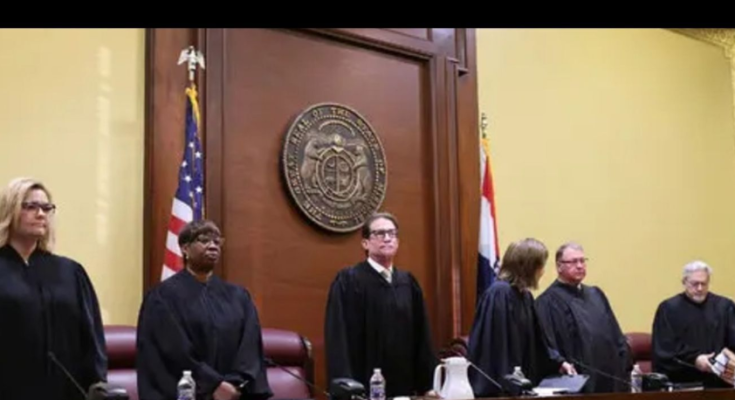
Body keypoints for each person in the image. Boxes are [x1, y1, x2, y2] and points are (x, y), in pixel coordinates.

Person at [136, 219, 272, 400]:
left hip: (236, 394)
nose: (213, 246)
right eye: (204, 240)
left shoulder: (238, 296)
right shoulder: (162, 297)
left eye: (217, 241)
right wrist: (213, 385)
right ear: (185, 248)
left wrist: (235, 384)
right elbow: (173, 351)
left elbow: (250, 347)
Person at [0, 177, 107, 400]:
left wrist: (97, 386)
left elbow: (91, 338)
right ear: (9, 210)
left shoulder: (70, 272)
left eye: (46, 208)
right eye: (30, 206)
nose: (41, 214)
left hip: (66, 391)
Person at [324, 212, 437, 397]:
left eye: (392, 233)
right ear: (365, 243)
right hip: (362, 386)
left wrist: (428, 385)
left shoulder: (408, 283)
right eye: (380, 233)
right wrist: (345, 387)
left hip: (404, 386)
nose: (387, 238)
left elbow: (422, 337)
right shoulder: (348, 281)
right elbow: (338, 337)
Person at [467, 238, 576, 397]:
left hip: (520, 386)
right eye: (540, 266)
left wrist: (559, 362)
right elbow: (495, 348)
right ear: (528, 267)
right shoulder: (499, 294)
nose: (542, 272)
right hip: (500, 391)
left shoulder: (525, 296)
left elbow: (538, 342)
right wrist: (509, 384)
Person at [535, 242, 630, 393]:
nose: (579, 266)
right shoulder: (547, 302)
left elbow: (615, 334)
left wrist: (624, 360)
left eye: (582, 261)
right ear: (559, 266)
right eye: (573, 262)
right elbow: (548, 346)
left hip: (610, 378)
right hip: (577, 381)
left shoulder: (596, 294)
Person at [652, 260, 735, 388]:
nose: (700, 288)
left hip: (720, 382)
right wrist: (695, 359)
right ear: (684, 282)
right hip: (684, 383)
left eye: (704, 284)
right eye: (695, 284)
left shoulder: (724, 307)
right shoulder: (668, 309)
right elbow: (664, 350)